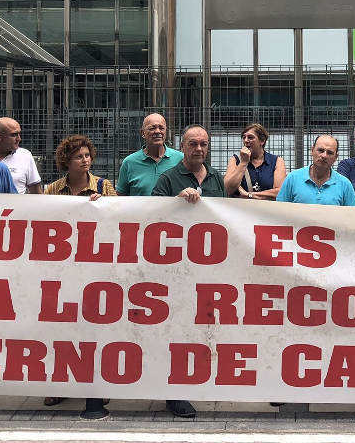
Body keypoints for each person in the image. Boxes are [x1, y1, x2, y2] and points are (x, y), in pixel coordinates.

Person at [148, 125, 220, 419]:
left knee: (200, 329)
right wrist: (176, 199)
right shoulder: (169, 178)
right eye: (193, 144)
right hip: (176, 270)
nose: (199, 149)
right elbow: (150, 214)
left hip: (210, 269)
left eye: (203, 144)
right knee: (174, 329)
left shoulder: (216, 178)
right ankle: (173, 393)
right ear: (182, 146)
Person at [42, 134, 114, 419]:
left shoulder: (104, 186)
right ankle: (59, 384)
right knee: (61, 328)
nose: (85, 161)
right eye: (78, 157)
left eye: (87, 156)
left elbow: (120, 219)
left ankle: (98, 384)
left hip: (96, 268)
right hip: (62, 269)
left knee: (96, 329)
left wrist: (104, 206)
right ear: (66, 162)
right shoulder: (52, 190)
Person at [278, 135, 355, 206]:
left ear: (336, 157)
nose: (324, 156)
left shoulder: (344, 184)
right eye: (320, 150)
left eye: (329, 153)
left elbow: (353, 216)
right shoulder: (293, 178)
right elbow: (280, 210)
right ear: (312, 150)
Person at [116, 113, 184, 196]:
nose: (158, 131)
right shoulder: (129, 163)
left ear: (166, 131)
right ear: (143, 133)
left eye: (161, 128)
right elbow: (121, 198)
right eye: (152, 128)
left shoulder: (180, 158)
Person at [223, 123, 286, 199]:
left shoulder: (277, 161)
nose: (246, 140)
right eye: (244, 137)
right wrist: (243, 163)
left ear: (262, 141)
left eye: (250, 137)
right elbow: (226, 189)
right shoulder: (236, 160)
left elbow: (280, 192)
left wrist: (249, 195)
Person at [0, 117, 42, 194]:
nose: (19, 139)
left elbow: (37, 193)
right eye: (14, 135)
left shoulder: (25, 156)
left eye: (19, 134)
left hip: (17, 205)